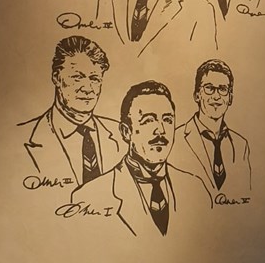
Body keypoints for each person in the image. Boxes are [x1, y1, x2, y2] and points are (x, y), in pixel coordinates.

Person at [71, 80, 212, 236]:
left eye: (167, 120)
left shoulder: (196, 187)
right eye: (148, 120)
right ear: (126, 132)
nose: (161, 130)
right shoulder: (89, 197)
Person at [17, 36, 123, 190]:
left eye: (94, 79)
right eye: (77, 77)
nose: (87, 88)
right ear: (56, 78)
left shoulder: (122, 135)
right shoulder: (21, 137)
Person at [172, 59, 251, 202]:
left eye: (222, 89)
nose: (216, 96)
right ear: (197, 95)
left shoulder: (241, 145)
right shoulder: (175, 140)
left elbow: (246, 192)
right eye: (209, 88)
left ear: (230, 98)